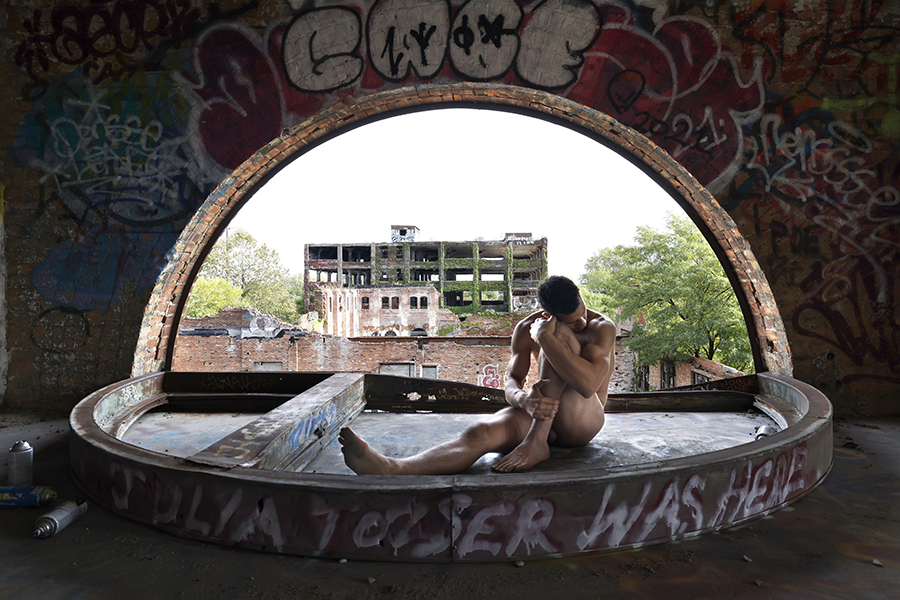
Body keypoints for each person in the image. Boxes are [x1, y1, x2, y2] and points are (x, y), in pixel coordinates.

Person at [339, 275, 616, 474]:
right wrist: (523, 400)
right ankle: (393, 468)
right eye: (570, 319)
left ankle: (536, 441)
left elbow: (588, 385)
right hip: (542, 412)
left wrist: (546, 339)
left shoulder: (601, 327)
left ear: (581, 297)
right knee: (481, 432)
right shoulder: (526, 327)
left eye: (581, 313)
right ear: (546, 313)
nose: (581, 322)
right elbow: (511, 383)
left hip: (581, 420)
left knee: (561, 339)